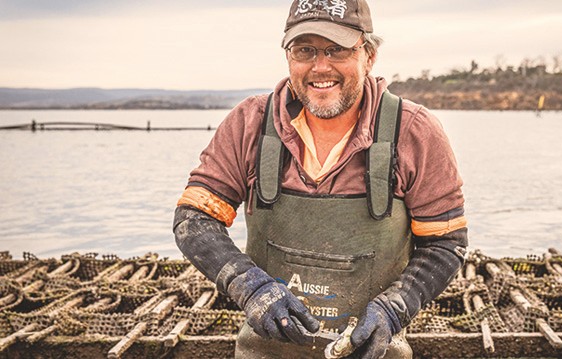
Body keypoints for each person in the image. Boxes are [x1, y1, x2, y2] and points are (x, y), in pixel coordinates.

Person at [173, 0, 468, 358]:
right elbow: (194, 220)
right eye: (305, 50)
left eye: (337, 50)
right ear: (288, 57)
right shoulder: (250, 123)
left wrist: (393, 309)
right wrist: (250, 288)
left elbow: (446, 243)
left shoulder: (415, 131)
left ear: (369, 55)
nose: (320, 66)